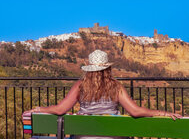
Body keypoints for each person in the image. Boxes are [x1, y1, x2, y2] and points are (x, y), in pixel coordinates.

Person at [24, 50, 182, 122]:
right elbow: (135, 111)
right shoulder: (116, 86)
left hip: (83, 135)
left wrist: (38, 109)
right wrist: (163, 113)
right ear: (107, 68)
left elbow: (60, 110)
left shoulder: (80, 86)